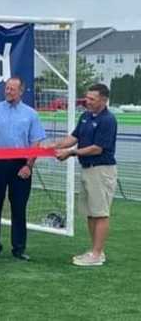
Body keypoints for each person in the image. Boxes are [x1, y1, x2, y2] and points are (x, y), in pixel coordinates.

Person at [0, 77, 45, 261]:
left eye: (13, 89)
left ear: (21, 91)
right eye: (7, 88)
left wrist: (28, 165)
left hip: (20, 165)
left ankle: (19, 248)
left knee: (19, 207)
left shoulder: (31, 114)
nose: (8, 91)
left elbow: (36, 141)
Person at [52, 83, 117, 266]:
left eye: (92, 99)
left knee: (100, 213)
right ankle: (96, 251)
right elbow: (74, 137)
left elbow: (97, 149)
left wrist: (71, 153)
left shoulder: (108, 120)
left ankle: (96, 255)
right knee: (90, 212)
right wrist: (56, 145)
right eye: (87, 98)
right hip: (87, 169)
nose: (87, 101)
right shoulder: (86, 116)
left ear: (103, 100)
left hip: (101, 170)